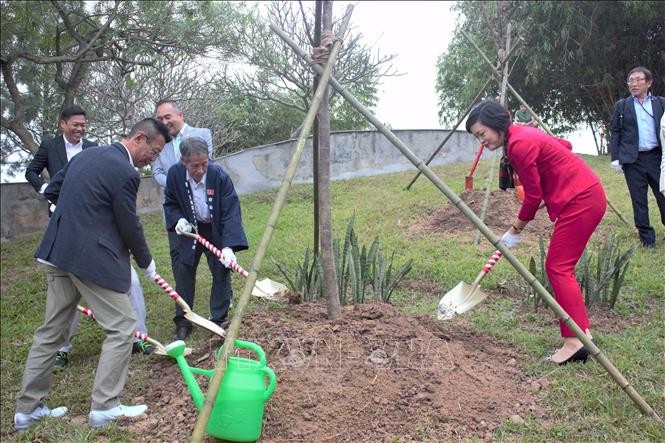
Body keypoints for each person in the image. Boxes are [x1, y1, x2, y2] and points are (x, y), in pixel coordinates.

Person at [14, 118, 170, 431]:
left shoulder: (85, 155)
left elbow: (53, 190)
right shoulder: (124, 172)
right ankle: (105, 407)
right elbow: (129, 224)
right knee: (123, 324)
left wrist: (77, 215)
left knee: (51, 333)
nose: (151, 160)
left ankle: (27, 411)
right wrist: (146, 262)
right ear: (139, 137)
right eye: (153, 153)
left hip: (58, 250)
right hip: (88, 257)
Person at [466, 100, 606, 365]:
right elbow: (565, 145)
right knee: (560, 267)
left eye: (482, 134)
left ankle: (575, 342)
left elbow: (533, 196)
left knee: (558, 267)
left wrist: (516, 228)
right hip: (584, 194)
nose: (481, 141)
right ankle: (581, 333)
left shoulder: (519, 143)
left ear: (496, 125)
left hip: (581, 199)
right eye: (477, 137)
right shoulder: (522, 134)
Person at [163, 137, 248, 341]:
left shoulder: (218, 176)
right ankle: (183, 321)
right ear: (184, 162)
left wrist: (228, 247)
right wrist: (178, 219)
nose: (200, 170)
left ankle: (218, 319)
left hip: (214, 228)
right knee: (183, 272)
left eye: (204, 164)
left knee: (221, 270)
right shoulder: (175, 174)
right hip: (189, 228)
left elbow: (230, 211)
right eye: (194, 166)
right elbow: (170, 203)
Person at [151, 100, 213, 273]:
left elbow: (207, 165)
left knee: (214, 255)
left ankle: (224, 296)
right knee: (179, 257)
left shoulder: (202, 134)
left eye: (167, 117)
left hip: (203, 206)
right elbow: (157, 173)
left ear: (180, 115)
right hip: (175, 207)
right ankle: (182, 297)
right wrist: (176, 185)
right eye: (160, 119)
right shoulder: (159, 143)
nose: (164, 122)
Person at [609, 66, 665, 248]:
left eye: (638, 80)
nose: (633, 84)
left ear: (649, 83)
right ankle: (647, 239)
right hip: (633, 160)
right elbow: (615, 132)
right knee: (638, 199)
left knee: (663, 194)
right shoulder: (622, 106)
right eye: (630, 80)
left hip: (657, 157)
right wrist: (615, 158)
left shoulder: (660, 103)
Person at [25, 105, 97, 214]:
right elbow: (31, 172)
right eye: (75, 125)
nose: (79, 129)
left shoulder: (93, 147)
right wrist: (47, 189)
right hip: (59, 210)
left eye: (83, 125)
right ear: (63, 124)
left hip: (88, 209)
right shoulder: (49, 147)